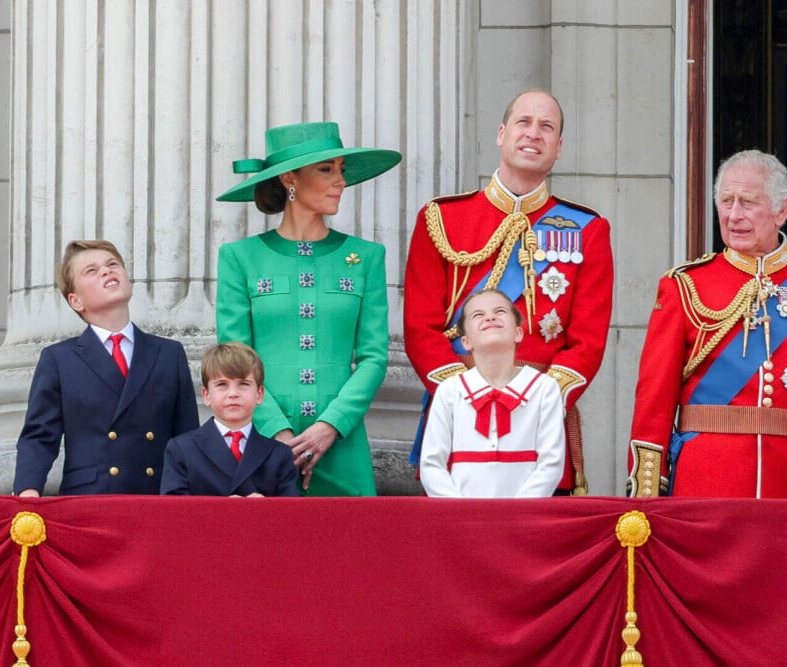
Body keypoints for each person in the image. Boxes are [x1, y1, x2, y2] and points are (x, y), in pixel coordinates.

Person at [403, 88, 612, 495]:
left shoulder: (588, 230)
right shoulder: (442, 219)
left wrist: (536, 402)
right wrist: (463, 397)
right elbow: (419, 328)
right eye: (524, 122)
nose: (534, 133)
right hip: (458, 421)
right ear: (501, 134)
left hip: (540, 426)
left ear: (559, 148)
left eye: (546, 127)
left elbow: (588, 341)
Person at [627, 150, 787, 499]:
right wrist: (647, 497)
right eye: (726, 201)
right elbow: (653, 402)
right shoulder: (685, 285)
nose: (734, 215)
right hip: (704, 483)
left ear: (781, 211)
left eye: (747, 202)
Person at [215, 122, 400, 496]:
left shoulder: (366, 258)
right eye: (326, 169)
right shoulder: (239, 258)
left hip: (341, 443)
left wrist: (330, 425)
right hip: (265, 439)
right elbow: (234, 358)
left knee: (351, 549)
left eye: (341, 170)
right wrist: (279, 433)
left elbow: (373, 357)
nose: (341, 182)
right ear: (289, 179)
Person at [13, 240, 201, 496]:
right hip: (90, 500)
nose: (106, 270)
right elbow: (40, 436)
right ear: (76, 300)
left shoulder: (169, 353)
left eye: (113, 264)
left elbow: (186, 437)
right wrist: (28, 489)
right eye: (91, 270)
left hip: (157, 498)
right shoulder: (59, 359)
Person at [419, 289, 564, 497]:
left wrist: (518, 513)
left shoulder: (544, 388)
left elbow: (551, 463)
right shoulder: (450, 390)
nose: (490, 317)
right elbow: (431, 465)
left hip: (524, 519)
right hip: (462, 519)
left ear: (518, 333)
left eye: (500, 311)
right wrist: (460, 512)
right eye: (477, 315)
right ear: (465, 341)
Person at [161, 342, 299, 497]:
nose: (233, 393)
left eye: (243, 384)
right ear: (206, 395)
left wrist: (266, 508)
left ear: (259, 394)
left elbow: (292, 514)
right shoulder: (182, 450)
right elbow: (172, 512)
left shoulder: (280, 454)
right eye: (222, 384)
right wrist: (222, 509)